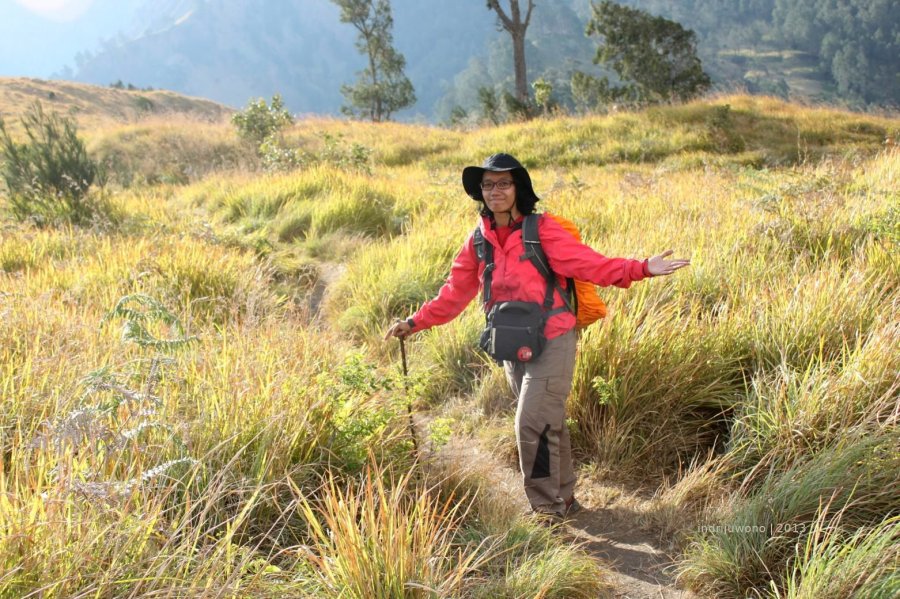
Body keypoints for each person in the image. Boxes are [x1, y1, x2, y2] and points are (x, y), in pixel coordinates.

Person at [384, 153, 690, 519]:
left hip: (554, 339)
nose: (495, 191)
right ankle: (565, 497)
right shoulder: (478, 240)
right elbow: (454, 292)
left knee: (531, 422)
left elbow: (590, 264)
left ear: (518, 188)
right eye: (487, 185)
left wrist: (640, 268)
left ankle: (546, 508)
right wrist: (415, 321)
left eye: (503, 183)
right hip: (510, 344)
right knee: (548, 423)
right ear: (480, 192)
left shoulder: (541, 230)